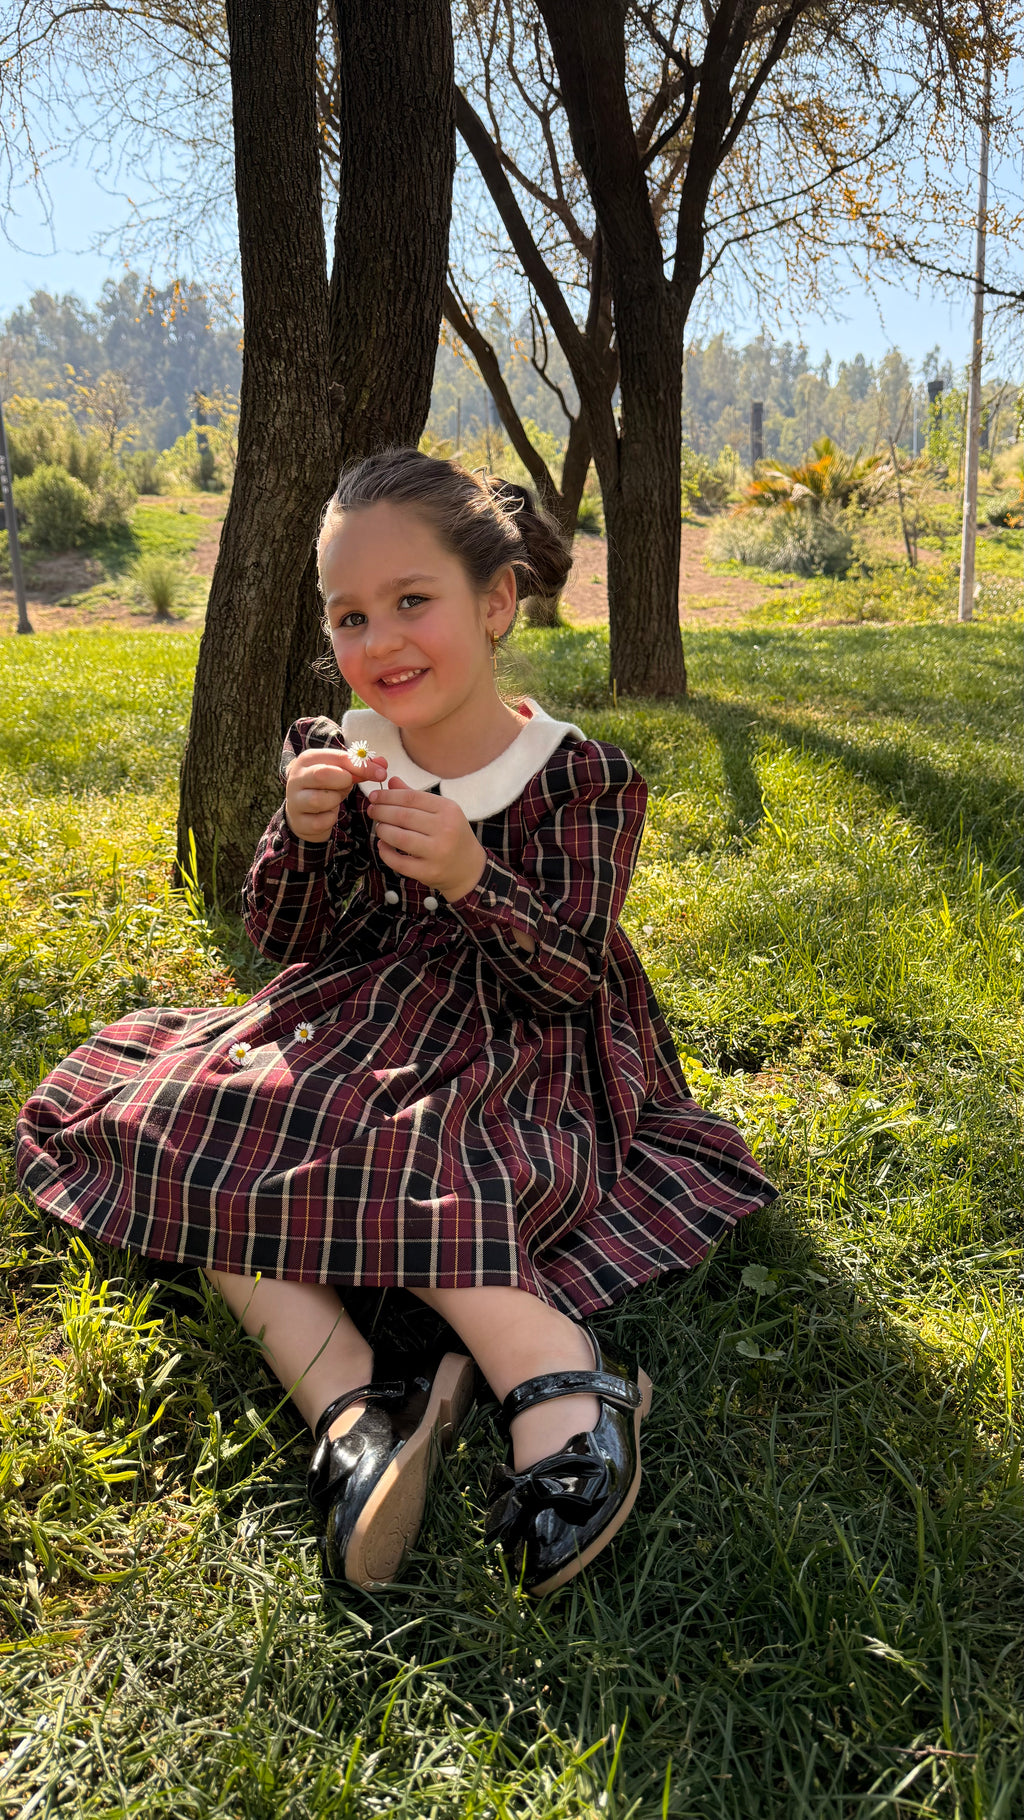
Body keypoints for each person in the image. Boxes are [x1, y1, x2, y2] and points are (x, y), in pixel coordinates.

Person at [16, 450, 776, 1597]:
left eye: (412, 599)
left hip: (519, 1041)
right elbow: (286, 937)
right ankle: (354, 1406)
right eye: (350, 615)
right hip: (357, 1017)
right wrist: (301, 832)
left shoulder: (576, 777)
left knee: (424, 1150)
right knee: (192, 1116)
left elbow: (568, 975)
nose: (381, 640)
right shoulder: (340, 746)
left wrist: (474, 876)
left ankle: (550, 1365)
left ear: (496, 600)